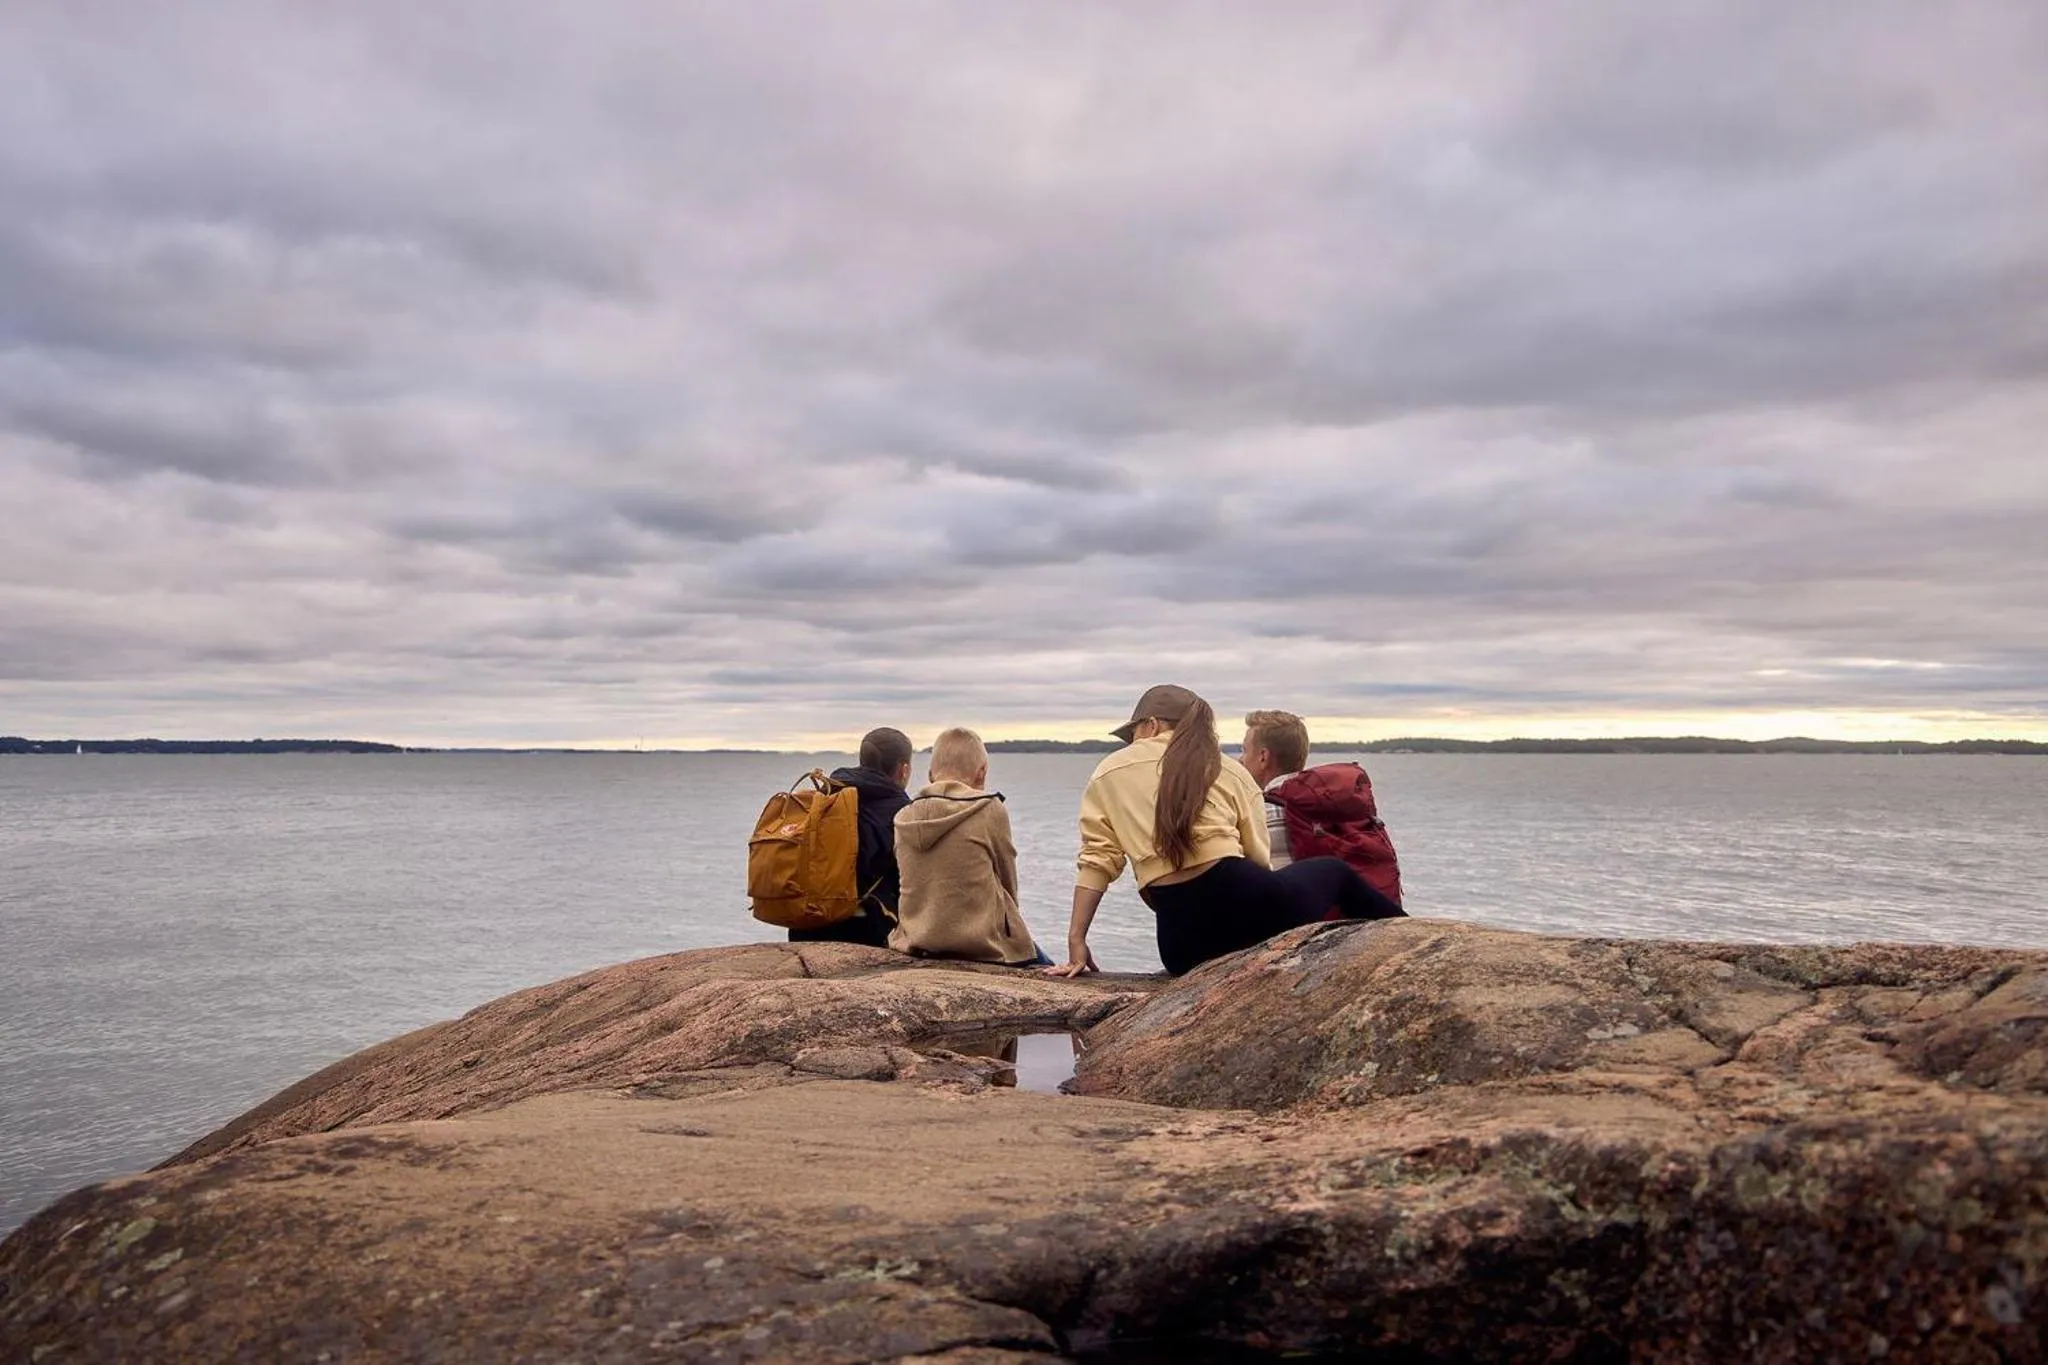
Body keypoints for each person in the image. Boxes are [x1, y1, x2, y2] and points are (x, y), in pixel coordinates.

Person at [1046, 685, 1403, 979]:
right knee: (1334, 872)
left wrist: (1076, 939)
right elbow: (1258, 858)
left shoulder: (1107, 771)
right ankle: (1412, 940)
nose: (1133, 740)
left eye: (1134, 731)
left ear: (1151, 725)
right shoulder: (1227, 769)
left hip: (1180, 947)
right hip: (1248, 909)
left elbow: (1097, 861)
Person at [890, 727, 1049, 966]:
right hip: (981, 943)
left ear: (931, 774)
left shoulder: (903, 816)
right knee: (1049, 967)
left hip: (917, 938)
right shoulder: (989, 810)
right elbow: (1008, 878)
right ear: (982, 773)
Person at [1242, 708, 1405, 907]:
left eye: (1244, 750)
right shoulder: (1335, 803)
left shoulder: (1260, 812)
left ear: (1263, 757)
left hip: (1297, 924)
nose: (1241, 760)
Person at [788, 726, 913, 949]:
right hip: (867, 931)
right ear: (904, 770)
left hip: (807, 922)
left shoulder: (826, 795)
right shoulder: (904, 813)